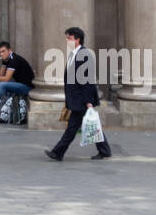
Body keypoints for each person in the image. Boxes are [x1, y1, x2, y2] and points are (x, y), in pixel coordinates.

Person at [45, 27, 111, 162]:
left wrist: (88, 101)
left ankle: (58, 152)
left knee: (73, 127)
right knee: (88, 125)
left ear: (77, 39)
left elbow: (87, 79)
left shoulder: (83, 54)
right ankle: (104, 150)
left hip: (81, 99)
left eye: (69, 38)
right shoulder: (74, 54)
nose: (66, 40)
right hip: (77, 98)